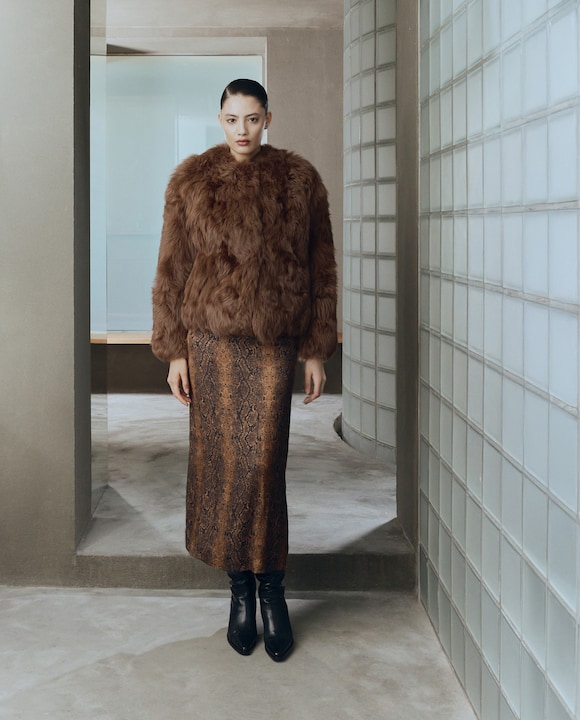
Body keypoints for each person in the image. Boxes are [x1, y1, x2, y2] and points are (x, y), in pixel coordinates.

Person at [151, 78, 337, 662]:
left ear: (268, 119)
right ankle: (239, 590)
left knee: (263, 466)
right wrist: (174, 351)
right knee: (223, 466)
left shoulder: (299, 180)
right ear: (220, 120)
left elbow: (321, 265)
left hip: (273, 343)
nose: (242, 130)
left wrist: (316, 347)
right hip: (209, 344)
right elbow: (172, 267)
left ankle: (272, 590)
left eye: (252, 119)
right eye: (232, 119)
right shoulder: (191, 181)